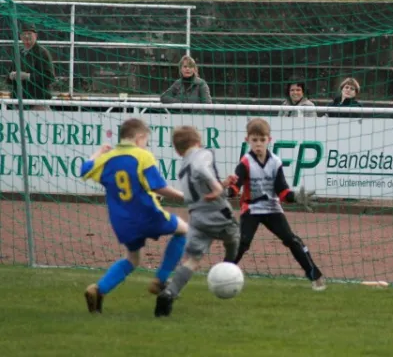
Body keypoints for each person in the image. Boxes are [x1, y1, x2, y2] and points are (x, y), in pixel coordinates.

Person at [80, 118, 189, 313]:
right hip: (146, 214)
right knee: (184, 230)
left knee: (132, 259)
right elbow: (158, 186)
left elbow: (84, 170)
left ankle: (98, 289)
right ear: (139, 138)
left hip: (121, 221)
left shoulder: (107, 159)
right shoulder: (142, 155)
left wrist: (99, 152)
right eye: (146, 140)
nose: (146, 144)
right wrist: (183, 196)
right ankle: (160, 280)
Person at [228, 118, 326, 291]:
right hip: (251, 208)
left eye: (262, 140)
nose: (258, 144)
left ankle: (315, 276)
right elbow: (235, 188)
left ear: (269, 140)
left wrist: (296, 197)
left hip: (272, 208)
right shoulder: (245, 162)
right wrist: (226, 191)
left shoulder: (275, 162)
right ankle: (224, 273)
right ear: (247, 140)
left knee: (291, 240)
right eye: (254, 140)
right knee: (242, 243)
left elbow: (282, 191)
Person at [154, 126, 240, 317]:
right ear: (198, 142)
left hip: (197, 219)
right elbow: (202, 169)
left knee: (193, 260)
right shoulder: (203, 153)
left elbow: (199, 187)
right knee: (234, 239)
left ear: (177, 150)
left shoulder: (183, 168)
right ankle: (228, 272)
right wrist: (218, 187)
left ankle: (169, 293)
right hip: (218, 213)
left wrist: (223, 184)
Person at [6, 23, 55, 111]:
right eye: (24, 34)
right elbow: (9, 77)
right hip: (19, 102)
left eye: (29, 33)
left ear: (35, 35)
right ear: (20, 36)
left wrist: (27, 76)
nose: (26, 36)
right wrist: (11, 76)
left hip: (38, 103)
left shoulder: (42, 53)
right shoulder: (19, 52)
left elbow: (49, 77)